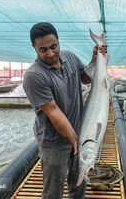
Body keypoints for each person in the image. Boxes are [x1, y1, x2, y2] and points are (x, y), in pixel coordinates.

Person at [23, 22, 107, 199]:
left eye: (53, 47)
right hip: (54, 142)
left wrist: (95, 58)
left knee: (78, 186)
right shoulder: (34, 75)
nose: (51, 53)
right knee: (54, 191)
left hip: (80, 134)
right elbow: (53, 112)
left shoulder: (69, 57)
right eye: (43, 49)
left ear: (58, 41)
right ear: (34, 48)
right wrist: (76, 141)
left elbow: (85, 78)